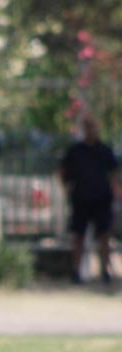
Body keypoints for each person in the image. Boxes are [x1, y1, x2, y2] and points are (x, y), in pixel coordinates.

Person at [60, 117, 119, 284]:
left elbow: (114, 172)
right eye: (88, 127)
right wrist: (66, 188)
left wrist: (115, 190)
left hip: (102, 199)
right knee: (78, 236)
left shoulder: (104, 150)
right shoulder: (76, 150)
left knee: (104, 235)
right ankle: (76, 271)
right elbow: (63, 171)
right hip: (81, 199)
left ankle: (105, 272)